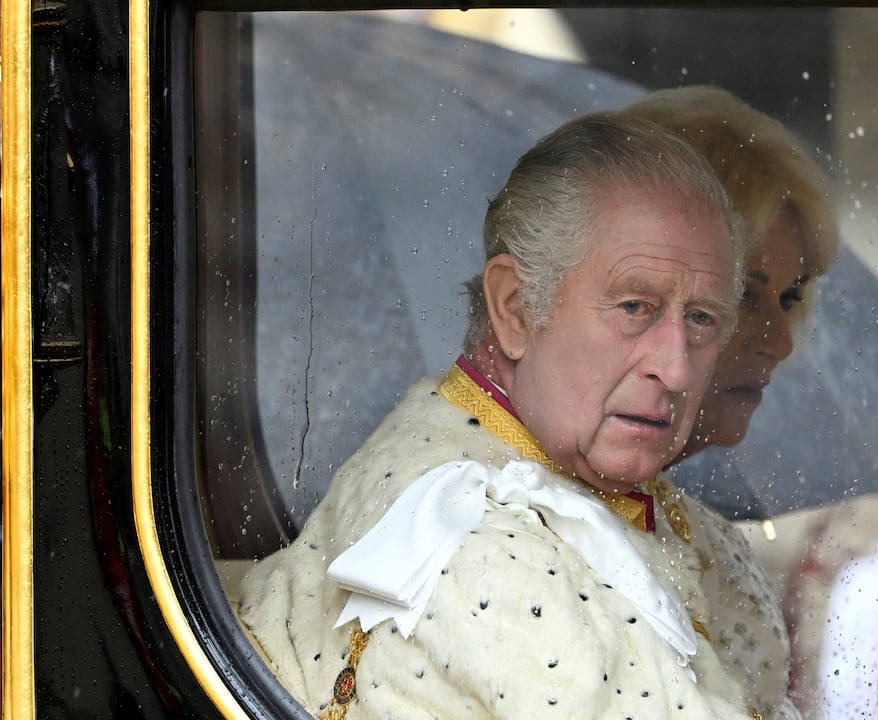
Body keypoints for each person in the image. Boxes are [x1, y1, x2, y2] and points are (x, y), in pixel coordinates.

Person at [233, 111, 799, 719]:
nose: (678, 369)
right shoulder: (482, 556)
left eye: (702, 320)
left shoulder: (663, 515)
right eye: (635, 307)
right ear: (514, 307)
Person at [625, 85, 839, 459]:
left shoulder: (664, 511)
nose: (779, 344)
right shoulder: (497, 499)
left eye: (790, 298)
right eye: (741, 296)